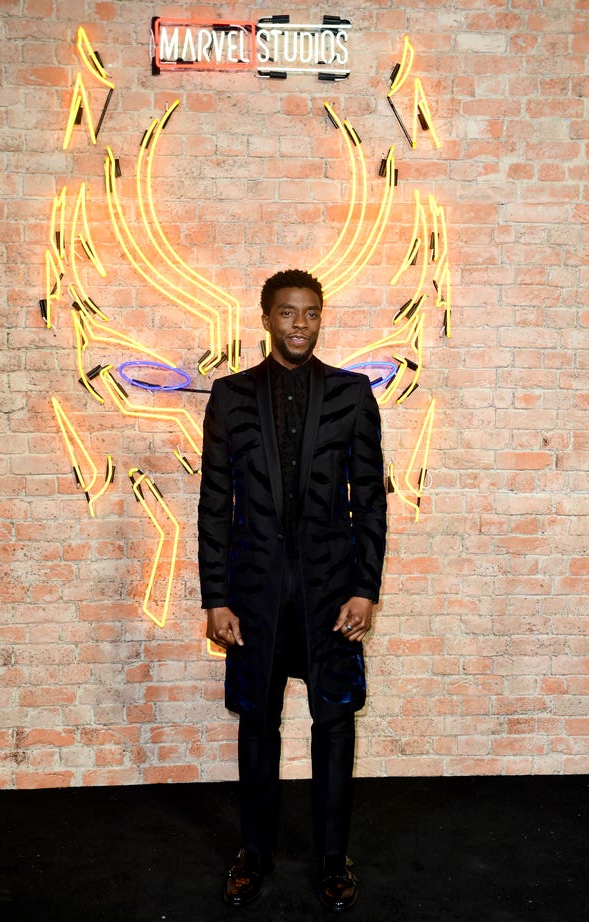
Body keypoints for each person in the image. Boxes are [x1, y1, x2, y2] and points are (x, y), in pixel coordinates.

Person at [198, 269, 387, 912]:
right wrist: (215, 598)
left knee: (334, 725)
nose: (299, 324)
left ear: (320, 318)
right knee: (257, 725)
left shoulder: (353, 393)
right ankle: (254, 855)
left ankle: (334, 860)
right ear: (266, 318)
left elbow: (370, 502)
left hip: (332, 592)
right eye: (287, 313)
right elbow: (212, 505)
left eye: (310, 313)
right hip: (252, 596)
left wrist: (366, 589)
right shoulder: (228, 397)